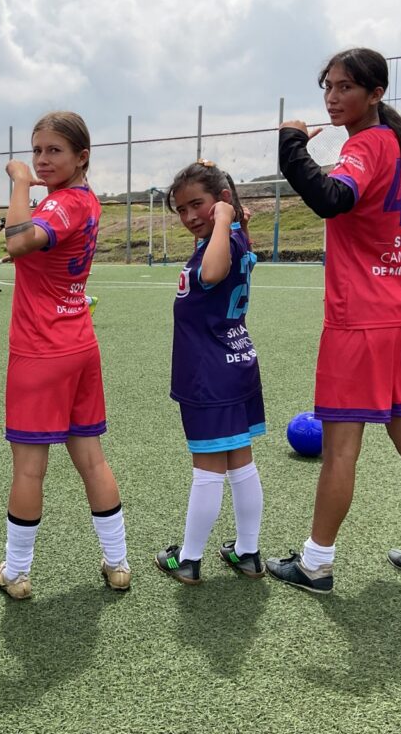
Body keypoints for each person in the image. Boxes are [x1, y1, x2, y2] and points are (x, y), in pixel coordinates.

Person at [268, 48, 401, 593]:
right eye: (328, 85)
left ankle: (315, 563)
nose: (332, 96)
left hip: (360, 322)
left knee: (341, 450)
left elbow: (330, 198)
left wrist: (291, 144)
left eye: (346, 87)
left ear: (375, 94)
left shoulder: (368, 144)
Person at [0, 111, 130, 600]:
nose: (42, 160)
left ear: (81, 157)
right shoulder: (87, 201)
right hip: (79, 344)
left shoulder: (61, 203)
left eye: (54, 151)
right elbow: (39, 248)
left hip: (40, 349)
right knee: (91, 459)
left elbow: (17, 236)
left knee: (30, 468)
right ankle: (117, 564)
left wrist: (19, 185)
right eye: (37, 151)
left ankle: (17, 571)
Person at [153, 160, 267, 585]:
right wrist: (229, 221)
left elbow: (213, 272)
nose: (188, 217)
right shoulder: (231, 237)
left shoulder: (222, 242)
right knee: (240, 462)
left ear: (220, 203)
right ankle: (247, 552)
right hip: (236, 362)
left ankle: (188, 559)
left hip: (210, 372)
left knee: (208, 468)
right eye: (181, 210)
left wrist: (223, 220)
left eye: (197, 205)